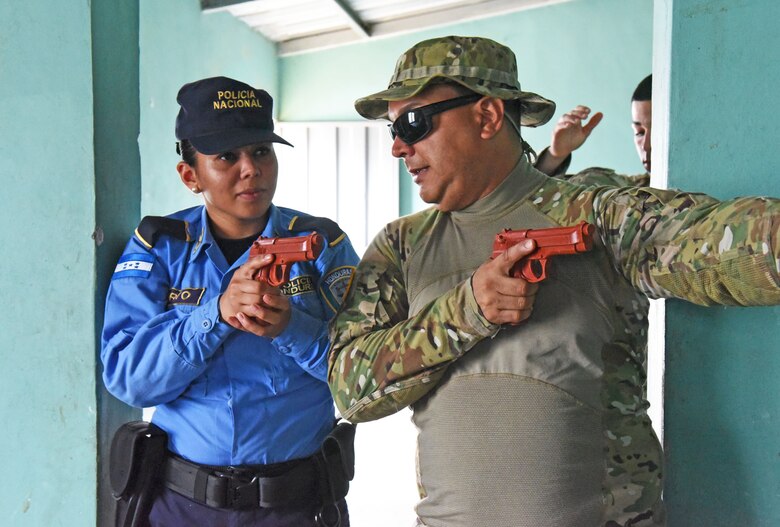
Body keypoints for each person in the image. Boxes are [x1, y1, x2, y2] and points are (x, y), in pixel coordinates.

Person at [326, 35, 780, 527]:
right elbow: (351, 391)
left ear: (487, 116)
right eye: (393, 128)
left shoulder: (599, 217)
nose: (398, 146)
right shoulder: (402, 245)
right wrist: (467, 310)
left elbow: (731, 243)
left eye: (414, 123)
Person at [101, 76, 359, 527]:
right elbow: (130, 380)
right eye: (226, 156)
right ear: (190, 175)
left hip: (298, 504)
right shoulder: (159, 248)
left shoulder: (319, 244)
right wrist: (214, 314)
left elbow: (366, 376)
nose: (250, 169)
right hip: (181, 504)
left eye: (261, 151)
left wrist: (292, 329)